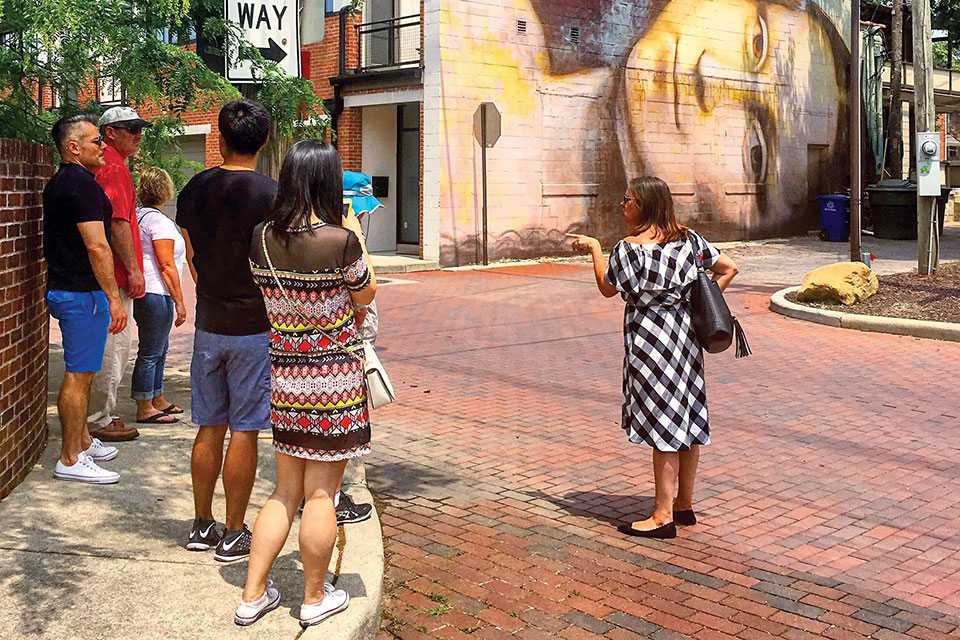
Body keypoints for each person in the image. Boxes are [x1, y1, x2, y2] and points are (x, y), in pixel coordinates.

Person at [237, 140, 376, 627]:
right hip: (334, 383)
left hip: (285, 380)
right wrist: (352, 227)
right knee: (322, 495)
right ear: (328, 182)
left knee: (283, 491)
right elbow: (366, 294)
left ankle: (252, 594)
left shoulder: (260, 238)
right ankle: (315, 598)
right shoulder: (340, 241)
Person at [567, 176, 739, 539]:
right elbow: (728, 269)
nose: (622, 204)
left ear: (643, 204)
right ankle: (683, 505)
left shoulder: (629, 249)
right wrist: (701, 304)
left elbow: (607, 288)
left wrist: (596, 248)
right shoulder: (689, 240)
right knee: (688, 418)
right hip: (686, 339)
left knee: (663, 424)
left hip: (650, 341)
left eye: (627, 199)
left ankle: (662, 517)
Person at [177, 99, 276, 562]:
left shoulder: (194, 189)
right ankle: (235, 532)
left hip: (209, 323)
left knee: (209, 426)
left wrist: (208, 286)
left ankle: (201, 524)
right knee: (246, 430)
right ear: (265, 140)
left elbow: (191, 253)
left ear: (219, 137)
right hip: (255, 325)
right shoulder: (272, 195)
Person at [44, 115, 128, 484]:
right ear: (74, 147)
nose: (103, 146)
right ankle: (71, 457)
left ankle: (83, 439)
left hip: (77, 293)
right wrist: (114, 297)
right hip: (80, 295)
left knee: (86, 372)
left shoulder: (69, 182)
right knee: (79, 376)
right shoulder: (81, 185)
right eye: (96, 141)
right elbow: (97, 245)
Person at [87, 106, 153, 443]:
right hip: (112, 276)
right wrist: (132, 270)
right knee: (114, 348)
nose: (138, 133)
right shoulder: (112, 167)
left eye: (140, 127)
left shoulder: (110, 164)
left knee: (112, 346)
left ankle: (99, 414)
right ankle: (99, 418)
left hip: (104, 276)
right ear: (110, 132)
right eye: (131, 128)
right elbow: (117, 222)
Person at [131, 167, 187, 424]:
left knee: (159, 348)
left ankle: (157, 397)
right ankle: (145, 406)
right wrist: (179, 300)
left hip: (146, 291)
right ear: (165, 191)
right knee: (151, 351)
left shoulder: (139, 217)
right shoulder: (160, 222)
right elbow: (166, 265)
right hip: (157, 292)